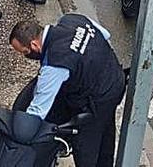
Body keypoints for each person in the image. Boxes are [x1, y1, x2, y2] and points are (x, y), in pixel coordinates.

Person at [10, 15, 125, 167]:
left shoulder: (55, 64)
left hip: (98, 98)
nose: (26, 56)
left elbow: (38, 110)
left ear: (34, 45)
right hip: (114, 76)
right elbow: (105, 35)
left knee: (86, 145)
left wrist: (21, 132)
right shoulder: (72, 19)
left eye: (24, 52)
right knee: (106, 132)